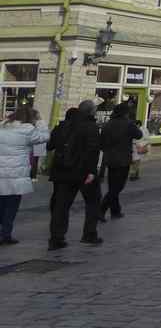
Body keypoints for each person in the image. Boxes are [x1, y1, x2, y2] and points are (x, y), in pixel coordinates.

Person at [48, 100, 103, 249]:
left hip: (63, 171)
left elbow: (50, 145)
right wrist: (92, 171)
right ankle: (89, 234)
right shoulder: (91, 127)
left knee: (62, 205)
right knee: (93, 202)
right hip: (83, 171)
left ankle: (56, 238)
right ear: (92, 112)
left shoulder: (63, 125)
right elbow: (93, 150)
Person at [0, 104, 49, 244]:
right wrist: (40, 121)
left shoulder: (2, 127)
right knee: (11, 205)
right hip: (17, 174)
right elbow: (44, 137)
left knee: (1, 203)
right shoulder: (28, 130)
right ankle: (5, 234)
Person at [98, 103, 143, 221]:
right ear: (125, 113)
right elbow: (139, 135)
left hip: (110, 159)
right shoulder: (128, 124)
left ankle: (115, 211)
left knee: (113, 185)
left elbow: (101, 143)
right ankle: (101, 210)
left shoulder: (108, 124)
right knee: (117, 187)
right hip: (123, 160)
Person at [30, 109, 46, 181]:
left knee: (32, 161)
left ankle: (32, 176)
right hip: (39, 145)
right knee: (35, 161)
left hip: (35, 144)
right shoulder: (42, 122)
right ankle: (33, 176)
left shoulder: (37, 123)